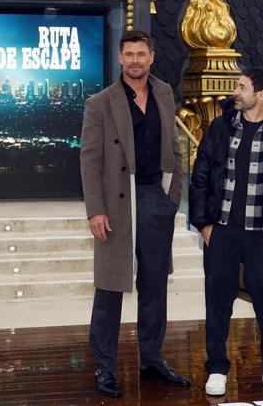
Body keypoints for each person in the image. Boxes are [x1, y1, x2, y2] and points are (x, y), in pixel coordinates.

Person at [79, 29, 191, 397]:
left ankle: (152, 359)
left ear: (152, 57)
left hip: (155, 201)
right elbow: (90, 159)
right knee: (109, 290)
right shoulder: (100, 102)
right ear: (119, 58)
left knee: (155, 286)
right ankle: (104, 368)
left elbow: (174, 147)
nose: (136, 61)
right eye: (129, 54)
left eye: (142, 54)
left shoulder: (163, 93)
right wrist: (95, 209)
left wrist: (171, 197)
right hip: (116, 206)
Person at [188, 66, 263, 397]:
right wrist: (204, 223)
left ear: (261, 94)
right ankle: (216, 369)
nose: (235, 93)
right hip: (222, 232)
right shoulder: (221, 127)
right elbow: (199, 176)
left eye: (241, 87)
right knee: (218, 304)